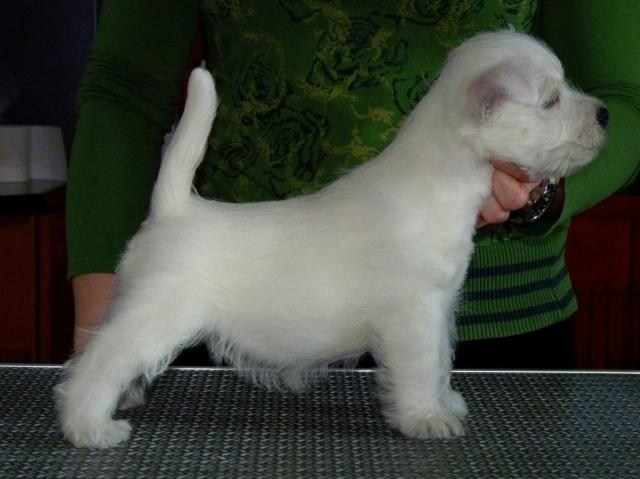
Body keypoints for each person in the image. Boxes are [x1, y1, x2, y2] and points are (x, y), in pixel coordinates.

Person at [66, 1, 640, 369]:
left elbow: (625, 100)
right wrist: (102, 323)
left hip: (504, 322)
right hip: (237, 285)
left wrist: (539, 192)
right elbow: (124, 91)